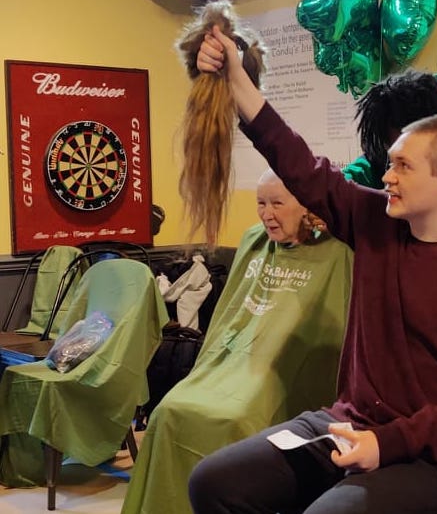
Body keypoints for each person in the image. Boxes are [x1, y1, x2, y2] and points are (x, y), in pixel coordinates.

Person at [187, 25, 437, 514]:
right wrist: (236, 78)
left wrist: (387, 444)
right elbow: (298, 162)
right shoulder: (372, 220)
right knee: (215, 482)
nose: (386, 175)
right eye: (389, 163)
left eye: (403, 167)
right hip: (348, 425)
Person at [120, 169, 353, 514]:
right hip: (229, 367)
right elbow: (231, 316)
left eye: (277, 203)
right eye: (260, 203)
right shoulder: (254, 242)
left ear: (307, 204)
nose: (266, 213)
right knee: (168, 411)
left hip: (277, 376)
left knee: (237, 421)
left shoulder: (338, 251)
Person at [342, 69, 437, 225]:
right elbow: (368, 166)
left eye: (403, 163)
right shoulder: (395, 127)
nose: (388, 176)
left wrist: (373, 203)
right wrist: (335, 197)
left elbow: (430, 215)